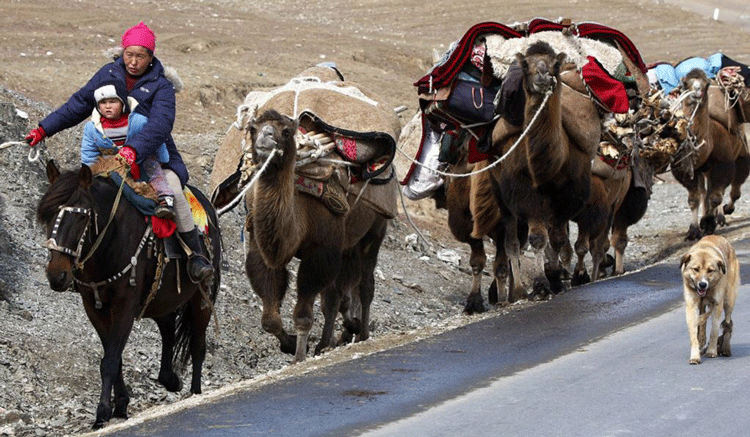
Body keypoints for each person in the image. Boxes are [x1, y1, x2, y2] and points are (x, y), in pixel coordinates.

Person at [25, 21, 213, 283]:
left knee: (174, 190)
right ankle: (80, 259)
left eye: (141, 56)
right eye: (129, 55)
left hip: (152, 157)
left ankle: (196, 256)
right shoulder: (107, 73)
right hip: (108, 159)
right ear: (122, 52)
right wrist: (44, 130)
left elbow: (160, 125)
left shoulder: (162, 86)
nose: (134, 62)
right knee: (81, 199)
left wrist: (133, 150)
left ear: (151, 57)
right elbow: (78, 104)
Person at [82, 80, 176, 219]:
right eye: (103, 103)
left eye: (113, 101)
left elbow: (154, 139)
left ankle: (165, 198)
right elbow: (89, 153)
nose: (108, 106)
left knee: (153, 170)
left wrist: (162, 159)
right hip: (109, 165)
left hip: (140, 161)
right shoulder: (91, 128)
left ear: (123, 103)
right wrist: (90, 171)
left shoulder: (139, 121)